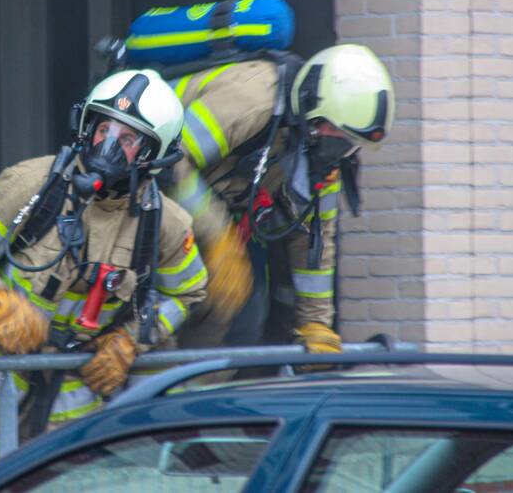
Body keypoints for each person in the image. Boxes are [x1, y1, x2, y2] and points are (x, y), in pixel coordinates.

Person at [0, 69, 208, 468]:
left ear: (154, 155)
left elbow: (187, 292)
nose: (106, 146)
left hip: (74, 414)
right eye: (102, 128)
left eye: (126, 139)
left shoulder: (167, 225)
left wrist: (129, 340)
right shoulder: (29, 184)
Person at [167, 43, 394, 357]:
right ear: (312, 107)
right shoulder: (251, 100)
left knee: (241, 313)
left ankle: (197, 395)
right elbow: (169, 161)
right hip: (143, 209)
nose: (339, 151)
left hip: (202, 225)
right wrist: (217, 235)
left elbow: (315, 241)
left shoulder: (323, 157)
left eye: (351, 144)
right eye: (336, 135)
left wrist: (316, 324)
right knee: (162, 315)